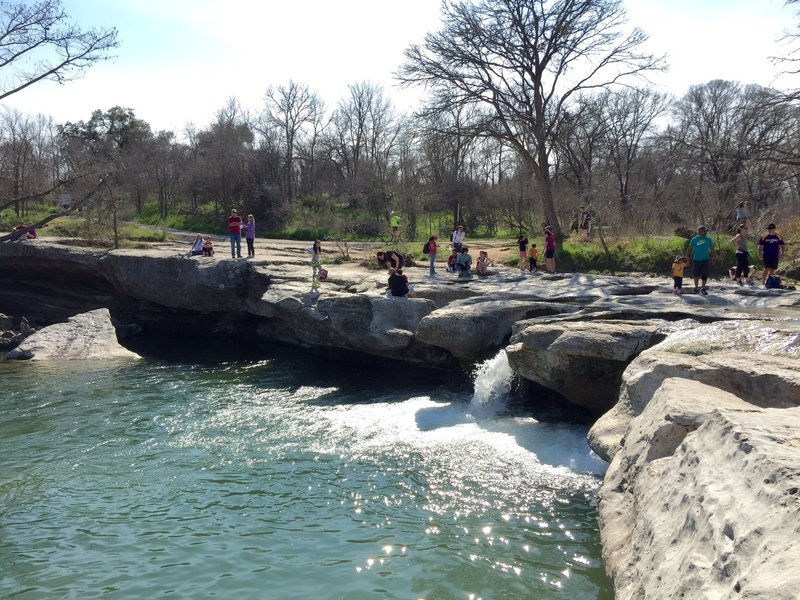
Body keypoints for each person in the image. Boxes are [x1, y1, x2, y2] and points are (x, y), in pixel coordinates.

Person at [688, 225, 713, 295]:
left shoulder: (709, 240)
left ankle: (703, 288)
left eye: (706, 231)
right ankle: (696, 288)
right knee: (696, 274)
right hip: (696, 259)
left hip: (706, 259)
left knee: (705, 274)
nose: (705, 232)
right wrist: (687, 256)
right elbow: (690, 248)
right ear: (699, 232)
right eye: (704, 231)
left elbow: (712, 249)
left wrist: (713, 257)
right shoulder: (694, 239)